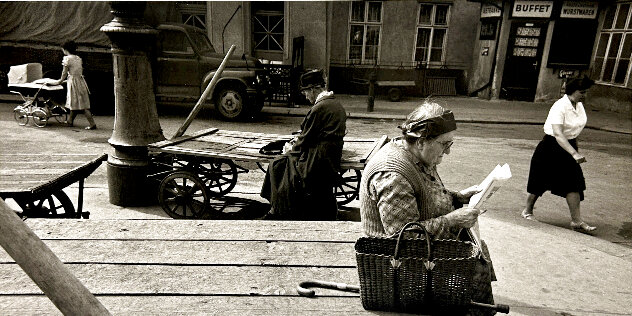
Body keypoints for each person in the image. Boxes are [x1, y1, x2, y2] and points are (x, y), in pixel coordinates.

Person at [359, 101, 496, 315]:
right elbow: (402, 238)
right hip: (394, 263)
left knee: (478, 252)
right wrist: (453, 220)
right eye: (444, 144)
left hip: (413, 250)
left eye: (451, 144)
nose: (448, 152)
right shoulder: (393, 175)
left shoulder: (416, 154)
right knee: (474, 264)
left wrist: (457, 197)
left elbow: (424, 194)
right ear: (422, 142)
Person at [261, 69, 347, 220]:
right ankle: (279, 206)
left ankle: (278, 209)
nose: (306, 96)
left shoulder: (319, 108)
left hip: (317, 159)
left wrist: (289, 148)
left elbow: (304, 140)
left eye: (306, 92)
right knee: (284, 162)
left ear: (314, 89)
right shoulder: (336, 104)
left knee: (277, 164)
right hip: (330, 155)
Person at [522, 76, 596, 233]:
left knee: (574, 182)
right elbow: (558, 133)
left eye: (586, 92)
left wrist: (574, 148)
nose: (584, 95)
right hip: (551, 147)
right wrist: (574, 153)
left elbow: (574, 130)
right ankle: (527, 210)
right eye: (582, 92)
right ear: (571, 91)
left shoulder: (579, 105)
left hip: (568, 145)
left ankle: (576, 221)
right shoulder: (559, 106)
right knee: (541, 181)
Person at [46, 41, 96, 130]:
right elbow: (76, 72)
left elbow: (64, 73)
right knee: (76, 102)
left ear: (65, 49)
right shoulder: (78, 58)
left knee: (82, 105)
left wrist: (60, 81)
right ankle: (70, 121)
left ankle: (92, 124)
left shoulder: (67, 59)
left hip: (73, 83)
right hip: (80, 82)